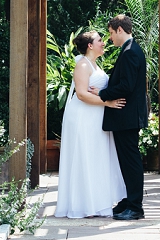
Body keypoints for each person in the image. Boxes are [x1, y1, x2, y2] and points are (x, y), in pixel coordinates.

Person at [54, 30, 127, 219]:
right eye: (100, 40)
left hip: (95, 116)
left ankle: (96, 204)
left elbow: (95, 90)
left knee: (95, 157)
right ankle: (83, 205)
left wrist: (102, 95)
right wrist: (107, 102)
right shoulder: (83, 65)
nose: (103, 43)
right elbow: (80, 94)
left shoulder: (94, 64)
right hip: (82, 117)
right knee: (84, 156)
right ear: (90, 45)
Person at [95, 14, 148, 221]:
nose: (109, 38)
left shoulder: (130, 52)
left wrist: (102, 94)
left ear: (119, 29)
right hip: (126, 117)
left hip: (127, 116)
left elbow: (126, 86)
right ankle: (128, 201)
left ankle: (135, 207)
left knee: (131, 162)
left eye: (110, 33)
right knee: (126, 162)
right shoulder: (130, 50)